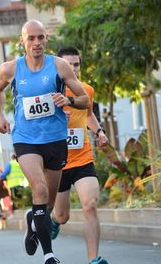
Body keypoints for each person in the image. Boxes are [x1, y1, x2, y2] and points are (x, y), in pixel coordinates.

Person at [0, 19, 89, 264]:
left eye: (41, 37)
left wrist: (67, 101)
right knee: (40, 189)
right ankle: (49, 255)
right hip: (26, 140)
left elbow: (84, 99)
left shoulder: (60, 66)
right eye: (31, 38)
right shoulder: (10, 69)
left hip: (55, 139)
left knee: (50, 203)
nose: (37, 43)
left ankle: (33, 223)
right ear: (22, 41)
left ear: (46, 39)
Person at [51, 47, 109, 264]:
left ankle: (94, 259)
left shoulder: (86, 90)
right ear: (59, 65)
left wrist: (100, 132)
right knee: (62, 216)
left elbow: (89, 114)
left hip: (82, 157)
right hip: (57, 163)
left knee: (90, 205)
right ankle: (55, 220)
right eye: (69, 64)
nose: (73, 69)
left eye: (76, 64)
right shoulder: (50, 91)